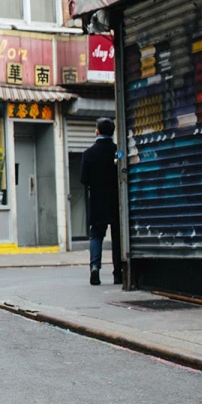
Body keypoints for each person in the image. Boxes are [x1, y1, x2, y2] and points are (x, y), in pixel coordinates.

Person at [79, 116, 122, 286]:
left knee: (96, 236)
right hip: (116, 201)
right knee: (118, 238)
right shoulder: (118, 151)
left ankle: (95, 268)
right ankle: (118, 272)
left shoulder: (89, 153)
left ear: (97, 131)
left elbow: (83, 179)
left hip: (97, 201)